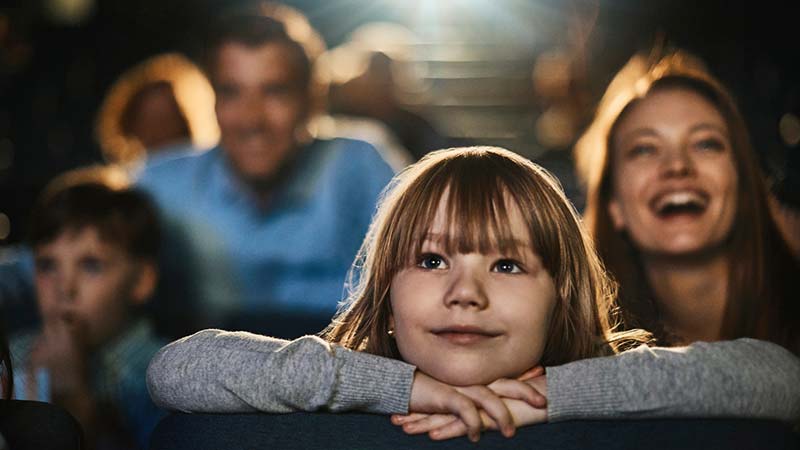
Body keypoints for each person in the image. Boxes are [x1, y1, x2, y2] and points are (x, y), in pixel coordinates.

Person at [147, 147, 800, 442]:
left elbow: (779, 379)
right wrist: (400, 389)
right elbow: (177, 369)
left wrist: (558, 397)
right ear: (386, 295)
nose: (467, 294)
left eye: (508, 266)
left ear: (561, 293)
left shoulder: (590, 387)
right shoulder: (338, 381)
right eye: (432, 259)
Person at [136, 4, 398, 337]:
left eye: (274, 91)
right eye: (231, 93)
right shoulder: (161, 184)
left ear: (311, 101)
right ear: (212, 102)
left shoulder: (358, 165)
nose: (251, 120)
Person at [573, 50, 800, 350]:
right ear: (613, 204)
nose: (677, 165)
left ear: (743, 186)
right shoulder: (579, 350)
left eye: (705, 143)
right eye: (644, 149)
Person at [10, 166, 166, 449]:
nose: (64, 288)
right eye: (47, 265)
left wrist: (70, 396)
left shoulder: (160, 375)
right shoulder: (13, 355)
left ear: (142, 280)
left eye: (91, 265)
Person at [95, 52, 219, 170]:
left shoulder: (215, 172)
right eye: (148, 123)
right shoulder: (133, 184)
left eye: (168, 120)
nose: (160, 132)